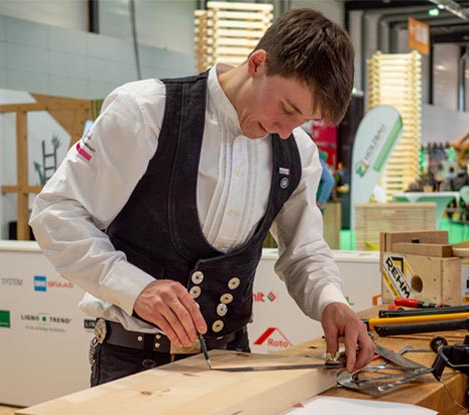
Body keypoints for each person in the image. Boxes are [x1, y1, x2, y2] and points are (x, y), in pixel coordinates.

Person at [29, 8, 375, 386]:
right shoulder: (146, 111)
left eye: (303, 120)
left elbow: (304, 252)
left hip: (233, 361)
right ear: (258, 63)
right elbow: (57, 213)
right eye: (287, 109)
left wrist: (331, 302)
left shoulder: (298, 152)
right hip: (132, 362)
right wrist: (134, 287)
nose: (285, 130)